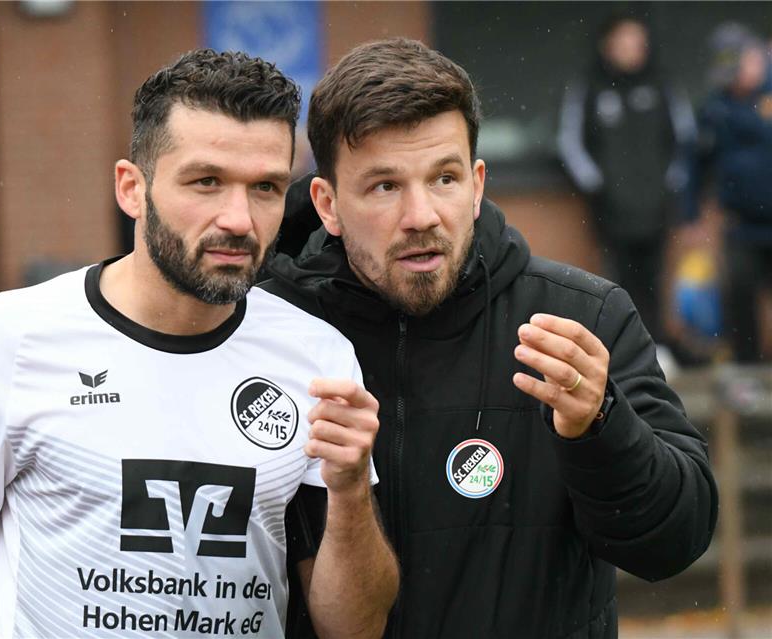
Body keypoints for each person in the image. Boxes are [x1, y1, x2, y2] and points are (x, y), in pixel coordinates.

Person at [0, 49, 398, 638]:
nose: (239, 219)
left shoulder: (316, 358)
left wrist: (349, 492)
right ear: (132, 189)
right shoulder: (20, 335)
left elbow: (354, 629)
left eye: (264, 187)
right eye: (206, 182)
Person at [264, 38, 718, 638]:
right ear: (327, 204)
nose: (422, 215)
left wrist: (601, 427)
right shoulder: (271, 332)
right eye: (385, 187)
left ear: (477, 185)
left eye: (444, 178)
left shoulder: (581, 319)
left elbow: (675, 541)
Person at [558, 14, 696, 350]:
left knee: (654, 278)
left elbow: (684, 140)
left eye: (637, 42)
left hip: (656, 205)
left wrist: (667, 185)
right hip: (611, 208)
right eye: (623, 41)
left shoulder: (662, 84)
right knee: (616, 281)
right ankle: (623, 350)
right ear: (608, 45)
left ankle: (657, 346)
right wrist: (599, 186)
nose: (631, 49)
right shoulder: (590, 86)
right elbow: (570, 143)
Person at [683, 22, 772, 363]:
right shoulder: (714, 108)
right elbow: (694, 164)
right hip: (741, 223)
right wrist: (690, 214)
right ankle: (748, 367)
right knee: (739, 295)